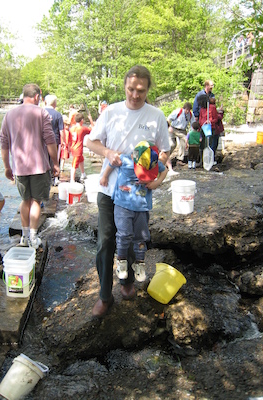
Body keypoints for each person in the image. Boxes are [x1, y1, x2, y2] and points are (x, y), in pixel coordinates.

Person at [86, 65, 170, 318]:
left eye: (141, 91)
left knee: (135, 239)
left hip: (138, 192)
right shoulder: (111, 112)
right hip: (110, 190)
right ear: (124, 86)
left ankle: (127, 282)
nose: (135, 95)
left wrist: (156, 178)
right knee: (106, 241)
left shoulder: (156, 116)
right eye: (131, 89)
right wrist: (108, 153)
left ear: (147, 90)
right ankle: (104, 295)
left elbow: (164, 151)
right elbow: (90, 141)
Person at [0, 83, 60, 249]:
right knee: (35, 201)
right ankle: (33, 237)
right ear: (37, 97)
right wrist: (55, 163)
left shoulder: (9, 115)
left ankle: (24, 237)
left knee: (25, 200)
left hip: (19, 167)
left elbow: (4, 143)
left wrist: (7, 166)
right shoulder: (41, 113)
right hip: (39, 166)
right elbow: (50, 140)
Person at [100, 141, 167, 282]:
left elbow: (164, 170)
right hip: (123, 205)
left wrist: (156, 182)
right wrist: (105, 176)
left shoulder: (153, 161)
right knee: (124, 234)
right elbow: (111, 163)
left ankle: (140, 263)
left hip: (142, 207)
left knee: (142, 236)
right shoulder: (125, 159)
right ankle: (121, 261)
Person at [166, 102, 195, 168]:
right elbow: (169, 119)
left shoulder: (190, 114)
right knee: (172, 144)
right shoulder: (178, 111)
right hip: (173, 129)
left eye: (189, 110)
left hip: (182, 130)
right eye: (186, 109)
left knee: (184, 143)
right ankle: (165, 157)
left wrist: (191, 132)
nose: (187, 111)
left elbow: (192, 123)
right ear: (184, 108)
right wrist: (169, 127)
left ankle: (180, 159)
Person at [44, 94, 64, 184]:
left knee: (44, 159)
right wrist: (63, 142)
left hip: (42, 141)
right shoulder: (57, 114)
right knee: (55, 160)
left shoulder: (40, 112)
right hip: (55, 140)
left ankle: (45, 179)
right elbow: (61, 131)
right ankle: (55, 179)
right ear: (54, 103)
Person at [69, 112, 94, 183]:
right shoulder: (82, 129)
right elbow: (92, 130)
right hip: (78, 149)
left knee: (81, 159)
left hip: (73, 147)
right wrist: (91, 120)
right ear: (82, 120)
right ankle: (72, 180)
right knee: (75, 164)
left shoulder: (72, 128)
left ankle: (83, 174)